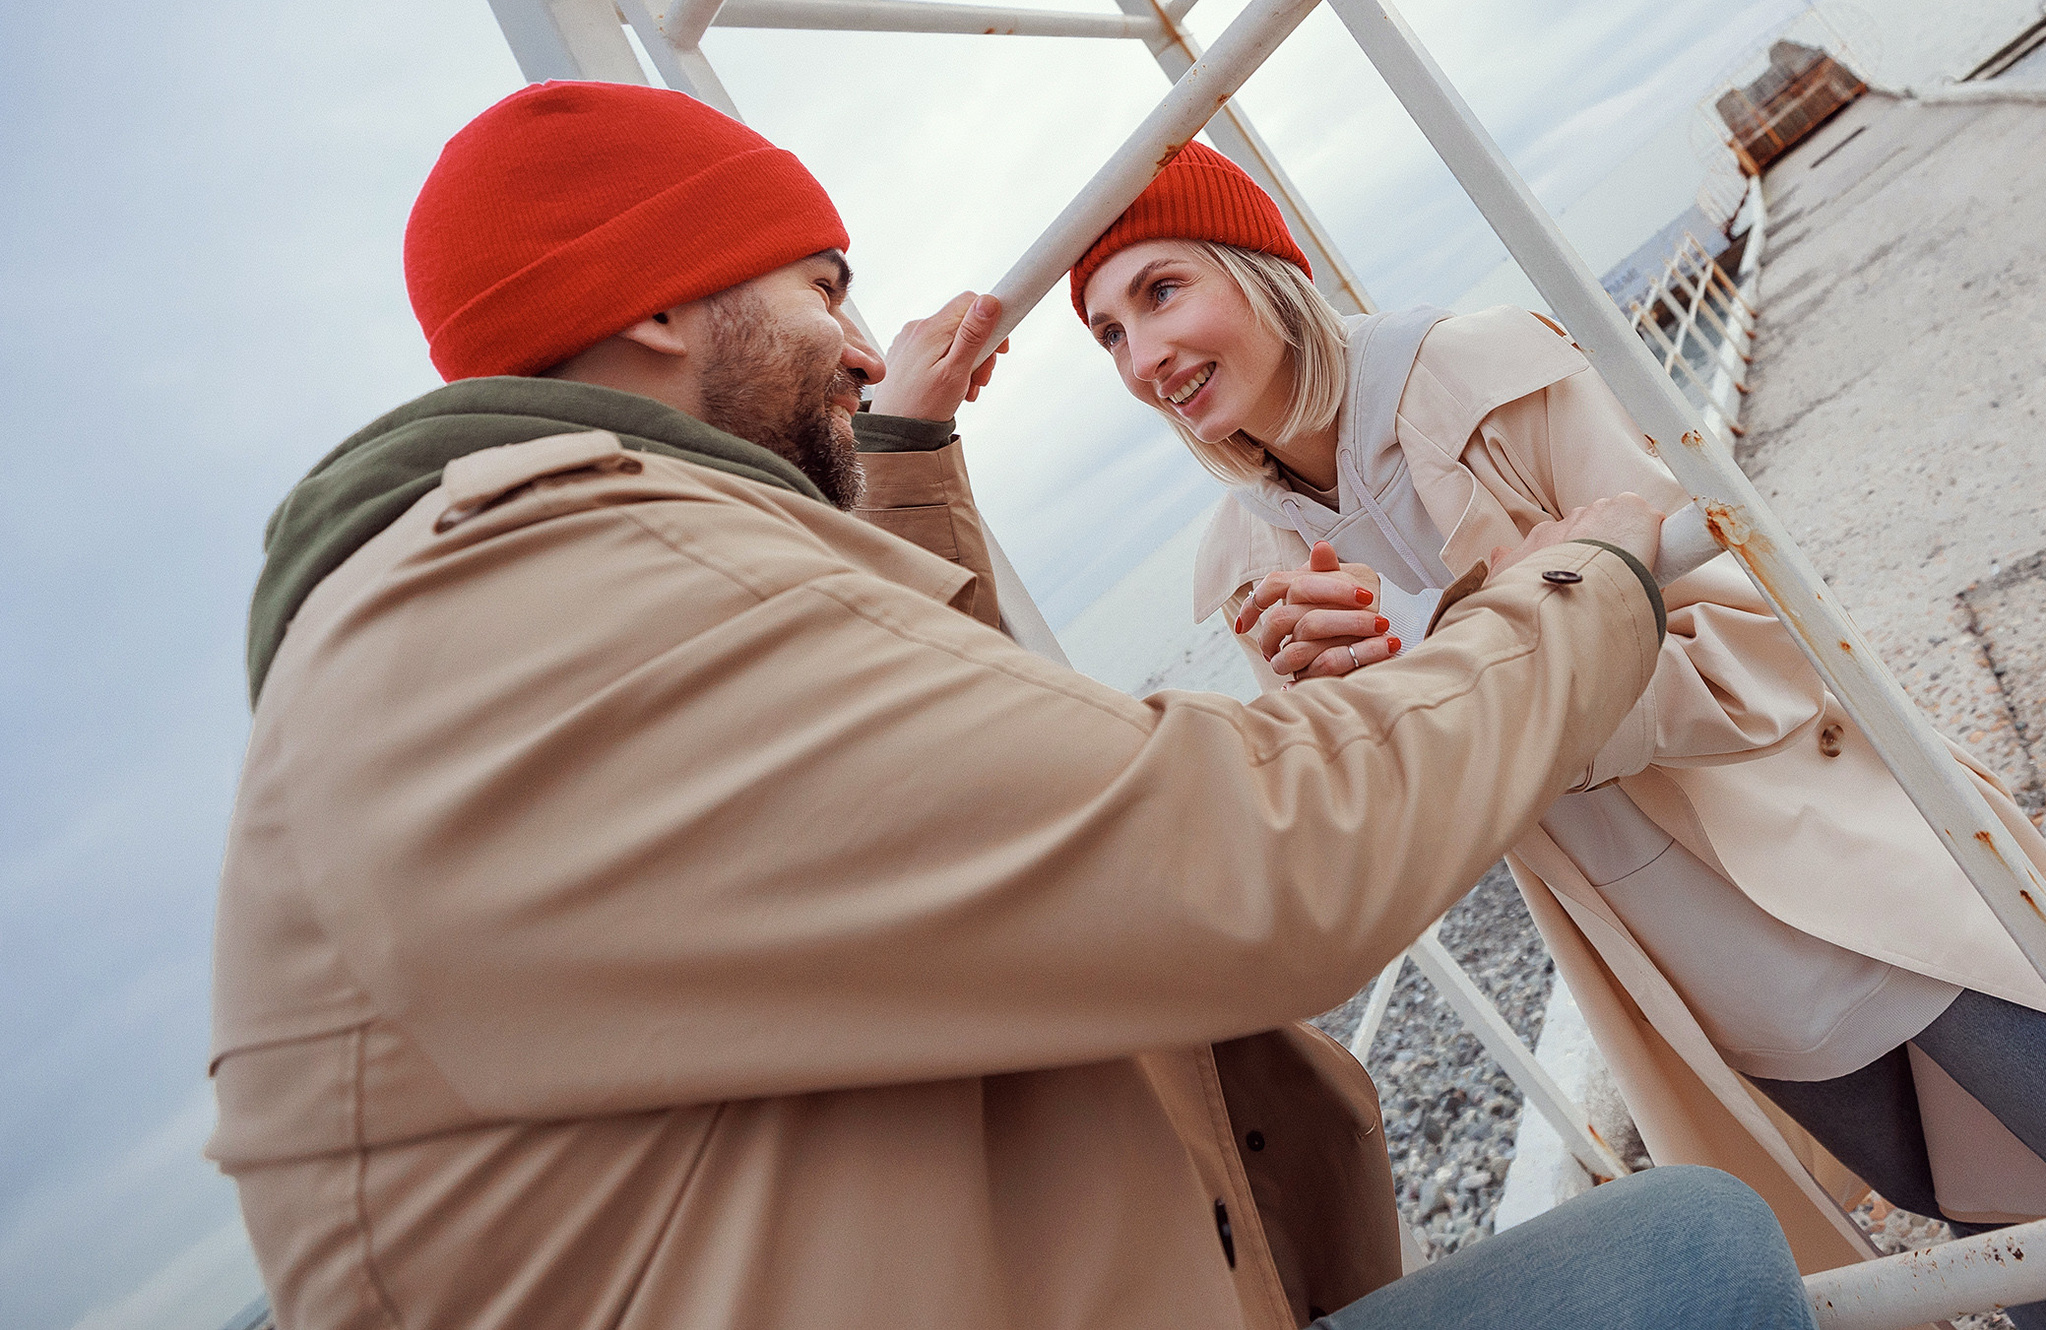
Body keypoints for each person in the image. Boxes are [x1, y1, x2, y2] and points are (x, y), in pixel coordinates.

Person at [209, 80, 1824, 1330]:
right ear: (657, 298)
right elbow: (1256, 854)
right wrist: (1587, 580)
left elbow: (930, 771)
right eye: (824, 285)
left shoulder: (531, 613)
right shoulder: (588, 606)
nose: (861, 348)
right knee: (1689, 1256)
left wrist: (906, 461)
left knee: (1680, 1243)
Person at [1071, 139, 2046, 1330]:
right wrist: (1355, 730)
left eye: (1162, 289)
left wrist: (1498, 667)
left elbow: (1757, 615)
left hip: (1838, 871)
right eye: (1109, 335)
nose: (1145, 355)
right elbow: (1411, 824)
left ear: (1257, 269)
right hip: (1693, 967)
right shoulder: (1249, 564)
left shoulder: (1474, 370)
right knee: (2035, 1248)